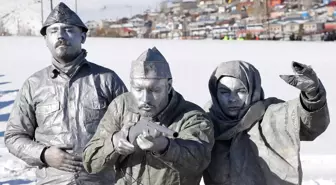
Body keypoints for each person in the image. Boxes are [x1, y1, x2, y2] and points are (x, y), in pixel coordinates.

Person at [5, 2, 127, 185]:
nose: (60, 36)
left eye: (68, 30)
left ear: (83, 36)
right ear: (45, 39)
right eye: (53, 31)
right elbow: (14, 136)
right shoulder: (34, 85)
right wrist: (44, 154)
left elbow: (130, 126)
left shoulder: (107, 80)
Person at [83, 47, 214, 185]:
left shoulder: (193, 117)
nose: (145, 98)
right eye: (138, 89)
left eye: (154, 90)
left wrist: (164, 146)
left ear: (168, 86)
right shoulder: (121, 106)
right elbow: (90, 162)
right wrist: (114, 143)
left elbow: (199, 162)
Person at [203, 60, 329, 185]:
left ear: (252, 89)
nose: (232, 99)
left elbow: (310, 126)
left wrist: (313, 96)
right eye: (224, 92)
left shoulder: (273, 115)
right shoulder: (206, 124)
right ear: (214, 92)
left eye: (240, 91)